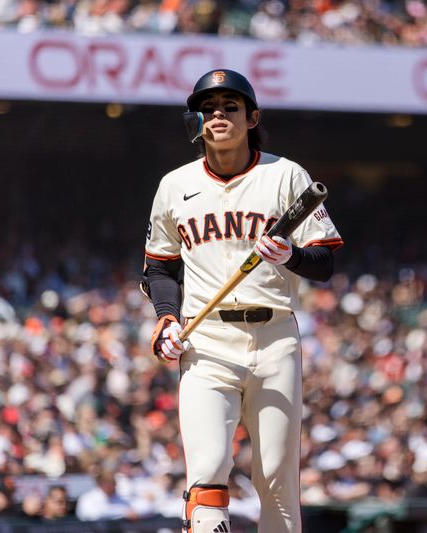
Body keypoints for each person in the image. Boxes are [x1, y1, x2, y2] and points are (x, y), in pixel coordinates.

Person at [142, 68, 343, 533]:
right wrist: (167, 318)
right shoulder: (175, 184)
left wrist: (291, 255)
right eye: (207, 109)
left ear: (252, 117)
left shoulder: (286, 174)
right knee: (208, 468)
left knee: (275, 479)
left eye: (229, 107)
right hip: (206, 340)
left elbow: (325, 262)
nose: (217, 115)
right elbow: (159, 267)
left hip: (275, 339)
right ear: (196, 121)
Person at [75, 468, 139, 521]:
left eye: (114, 483)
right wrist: (123, 512)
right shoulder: (87, 498)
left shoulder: (118, 498)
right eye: (110, 483)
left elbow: (134, 509)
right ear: (101, 483)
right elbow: (95, 514)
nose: (114, 486)